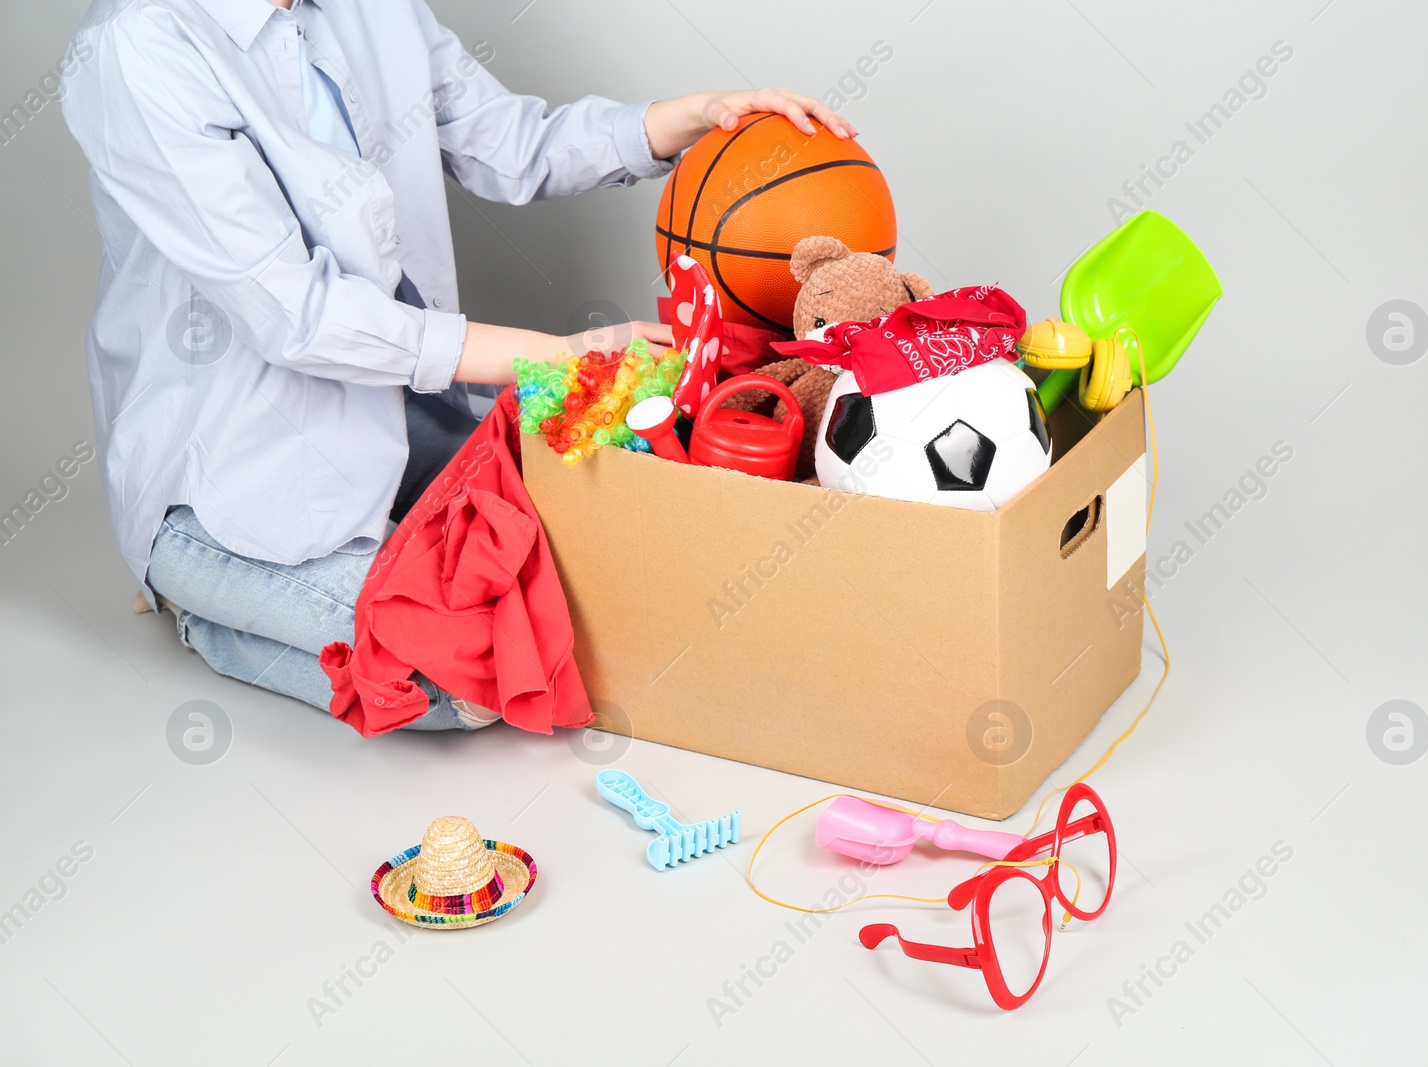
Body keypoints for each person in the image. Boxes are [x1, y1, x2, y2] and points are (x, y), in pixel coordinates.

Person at [61, 0, 854, 729]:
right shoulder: (134, 48)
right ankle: (199, 603)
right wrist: (566, 357)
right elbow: (300, 317)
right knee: (478, 682)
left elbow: (508, 140)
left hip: (411, 430)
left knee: (608, 582)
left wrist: (695, 117)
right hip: (231, 487)